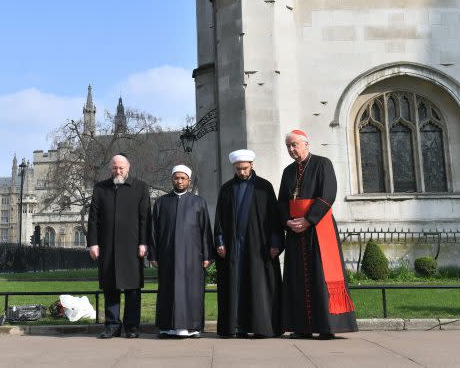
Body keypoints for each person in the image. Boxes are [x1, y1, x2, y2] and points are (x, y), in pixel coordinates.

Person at [278, 130, 357, 339]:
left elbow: (328, 194)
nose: (291, 149)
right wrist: (288, 220)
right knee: (297, 278)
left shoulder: (323, 164)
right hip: (295, 231)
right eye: (288, 146)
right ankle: (301, 327)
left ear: (306, 144)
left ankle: (326, 327)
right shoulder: (287, 172)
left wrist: (308, 220)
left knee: (321, 276)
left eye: (294, 145)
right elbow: (282, 201)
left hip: (318, 228)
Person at [214, 149, 283, 338]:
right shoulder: (226, 189)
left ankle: (262, 327)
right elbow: (219, 219)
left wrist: (275, 243)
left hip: (259, 247)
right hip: (234, 247)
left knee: (258, 287)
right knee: (236, 287)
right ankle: (237, 327)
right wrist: (220, 242)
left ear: (252, 165)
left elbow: (274, 218)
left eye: (244, 168)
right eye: (238, 169)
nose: (242, 172)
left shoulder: (264, 187)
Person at [87, 154, 151, 339]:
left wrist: (144, 242)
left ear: (128, 168)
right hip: (107, 246)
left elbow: (145, 218)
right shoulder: (100, 188)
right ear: (111, 168)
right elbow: (93, 218)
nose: (118, 171)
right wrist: (93, 243)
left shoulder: (140, 187)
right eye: (115, 167)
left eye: (121, 167)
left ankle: (131, 326)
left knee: (132, 289)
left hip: (132, 247)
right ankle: (112, 325)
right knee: (110, 287)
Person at [148, 165, 214, 338]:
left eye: (183, 178)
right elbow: (153, 231)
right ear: (172, 179)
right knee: (168, 290)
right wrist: (153, 255)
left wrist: (207, 255)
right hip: (167, 256)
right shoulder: (162, 202)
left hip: (193, 256)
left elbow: (205, 230)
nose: (179, 181)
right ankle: (167, 327)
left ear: (189, 180)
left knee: (192, 291)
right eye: (176, 178)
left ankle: (192, 328)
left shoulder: (199, 202)